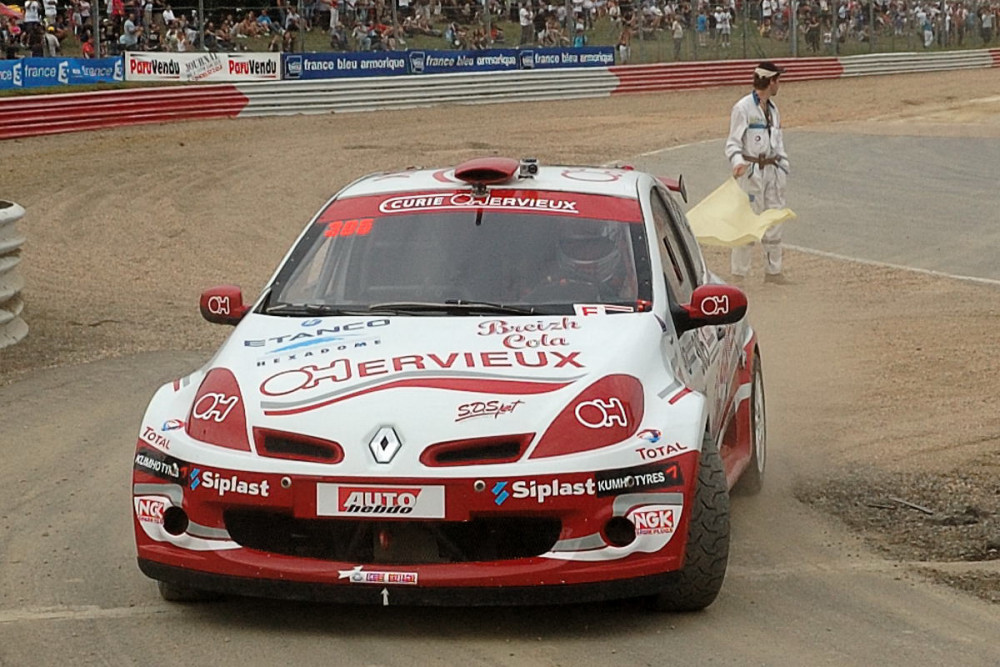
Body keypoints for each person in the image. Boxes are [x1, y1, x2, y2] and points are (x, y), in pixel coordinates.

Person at [724, 61, 791, 284]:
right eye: (778, 80)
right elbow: (733, 143)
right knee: (746, 223)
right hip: (752, 174)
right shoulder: (742, 108)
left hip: (773, 171)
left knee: (774, 220)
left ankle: (773, 272)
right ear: (770, 81)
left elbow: (778, 142)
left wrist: (783, 166)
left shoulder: (773, 110)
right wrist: (737, 162)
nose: (779, 84)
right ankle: (739, 275)